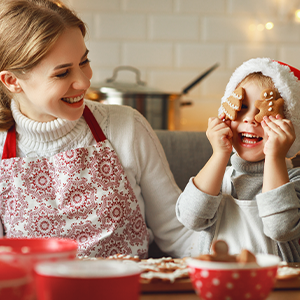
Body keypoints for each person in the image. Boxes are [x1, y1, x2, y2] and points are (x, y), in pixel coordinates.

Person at [0, 0, 199, 259]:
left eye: (84, 61)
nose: (84, 81)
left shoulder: (126, 126)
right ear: (12, 81)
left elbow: (178, 233)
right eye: (62, 73)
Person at [176, 57, 300, 262]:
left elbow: (281, 228)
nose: (250, 119)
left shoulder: (294, 181)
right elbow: (191, 219)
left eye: (264, 112)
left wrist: (275, 155)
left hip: (276, 288)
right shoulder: (217, 179)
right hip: (217, 284)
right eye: (241, 107)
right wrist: (219, 155)